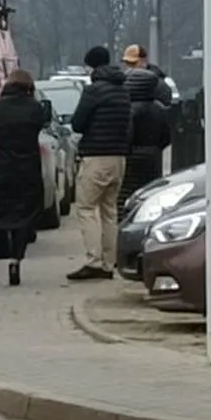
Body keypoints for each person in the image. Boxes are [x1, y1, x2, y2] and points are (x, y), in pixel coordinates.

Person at [0, 70, 51, 287]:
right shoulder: (34, 108)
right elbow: (41, 125)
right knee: (22, 219)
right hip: (26, 174)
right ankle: (15, 261)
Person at [66, 46, 132, 280]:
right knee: (109, 211)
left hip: (96, 156)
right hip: (118, 157)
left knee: (86, 208)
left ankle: (93, 260)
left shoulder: (94, 91)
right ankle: (109, 262)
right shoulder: (123, 90)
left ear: (92, 65)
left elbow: (78, 124)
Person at [118, 45, 175, 203]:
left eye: (132, 63)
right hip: (153, 154)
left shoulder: (133, 98)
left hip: (136, 154)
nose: (128, 67)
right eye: (127, 63)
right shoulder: (158, 95)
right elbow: (166, 136)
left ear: (143, 61)